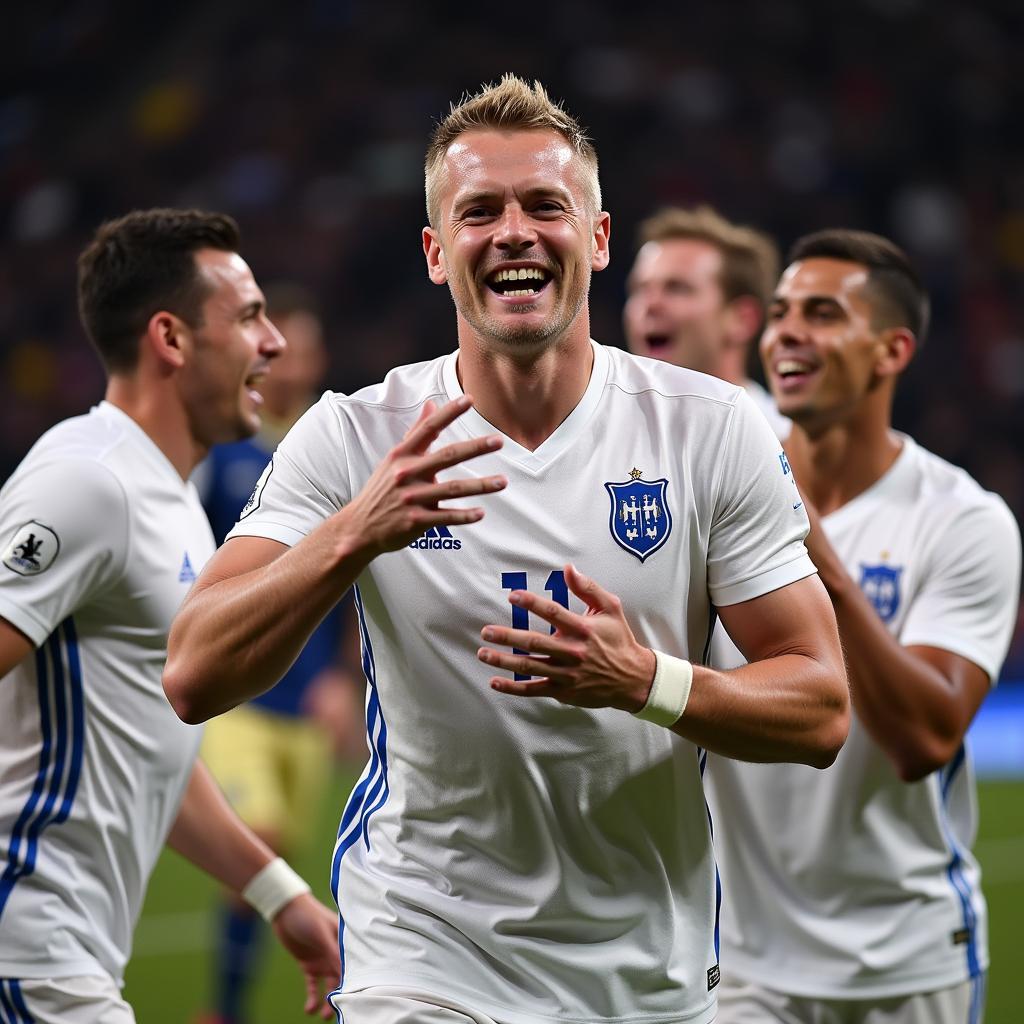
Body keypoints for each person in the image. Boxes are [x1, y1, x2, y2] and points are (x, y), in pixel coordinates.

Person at [164, 76, 850, 1024]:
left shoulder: (707, 430)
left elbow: (820, 704)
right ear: (438, 254)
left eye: (546, 206)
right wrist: (353, 533)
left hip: (645, 971)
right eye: (479, 211)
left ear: (598, 239)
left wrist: (644, 680)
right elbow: (193, 670)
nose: (515, 232)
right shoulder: (357, 438)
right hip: (422, 953)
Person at [0, 209, 340, 1023]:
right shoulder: (89, 481)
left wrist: (280, 895)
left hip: (66, 954)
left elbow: (149, 743)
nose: (276, 345)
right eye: (250, 317)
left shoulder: (174, 498)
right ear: (171, 339)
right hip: (27, 949)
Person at [705, 229, 1022, 1024]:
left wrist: (818, 554)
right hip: (738, 960)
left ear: (892, 351)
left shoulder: (963, 521)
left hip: (905, 964)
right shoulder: (719, 498)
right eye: (779, 313)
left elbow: (926, 738)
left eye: (822, 313)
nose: (787, 333)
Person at [195, 284, 364, 1024]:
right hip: (238, 704)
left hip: (307, 705)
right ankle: (224, 1013)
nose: (291, 362)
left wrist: (342, 677)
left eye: (306, 347)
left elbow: (360, 582)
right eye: (280, 344)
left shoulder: (334, 454)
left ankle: (237, 1002)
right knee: (259, 846)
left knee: (271, 870)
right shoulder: (223, 452)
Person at [622, 204, 787, 435]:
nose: (650, 304)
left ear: (742, 319)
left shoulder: (781, 443)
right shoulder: (608, 432)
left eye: (677, 288)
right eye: (639, 289)